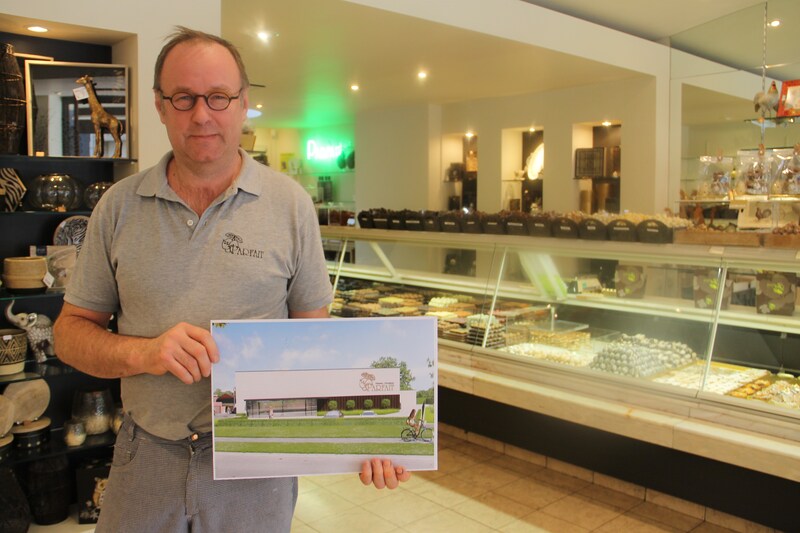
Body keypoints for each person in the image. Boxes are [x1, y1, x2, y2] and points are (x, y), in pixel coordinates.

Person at [53, 26, 410, 533]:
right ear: (159, 105)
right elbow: (69, 334)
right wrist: (145, 353)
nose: (202, 114)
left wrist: (370, 435)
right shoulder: (118, 207)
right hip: (146, 454)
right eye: (183, 97)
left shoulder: (290, 206)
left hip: (258, 462)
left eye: (218, 96)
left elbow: (317, 343)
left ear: (243, 104)